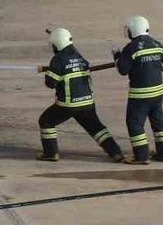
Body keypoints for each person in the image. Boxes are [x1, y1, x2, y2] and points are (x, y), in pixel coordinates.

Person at [38, 27, 125, 162]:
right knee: (97, 128)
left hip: (68, 105)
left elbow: (50, 83)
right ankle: (115, 152)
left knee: (46, 121)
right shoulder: (79, 56)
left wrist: (50, 72)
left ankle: (50, 153)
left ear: (56, 44)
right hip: (87, 103)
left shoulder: (58, 59)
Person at [115, 15, 163, 164]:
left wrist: (117, 57)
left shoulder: (131, 48)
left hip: (140, 94)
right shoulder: (155, 43)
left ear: (132, 30)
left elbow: (122, 70)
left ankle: (141, 156)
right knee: (158, 121)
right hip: (158, 92)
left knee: (134, 123)